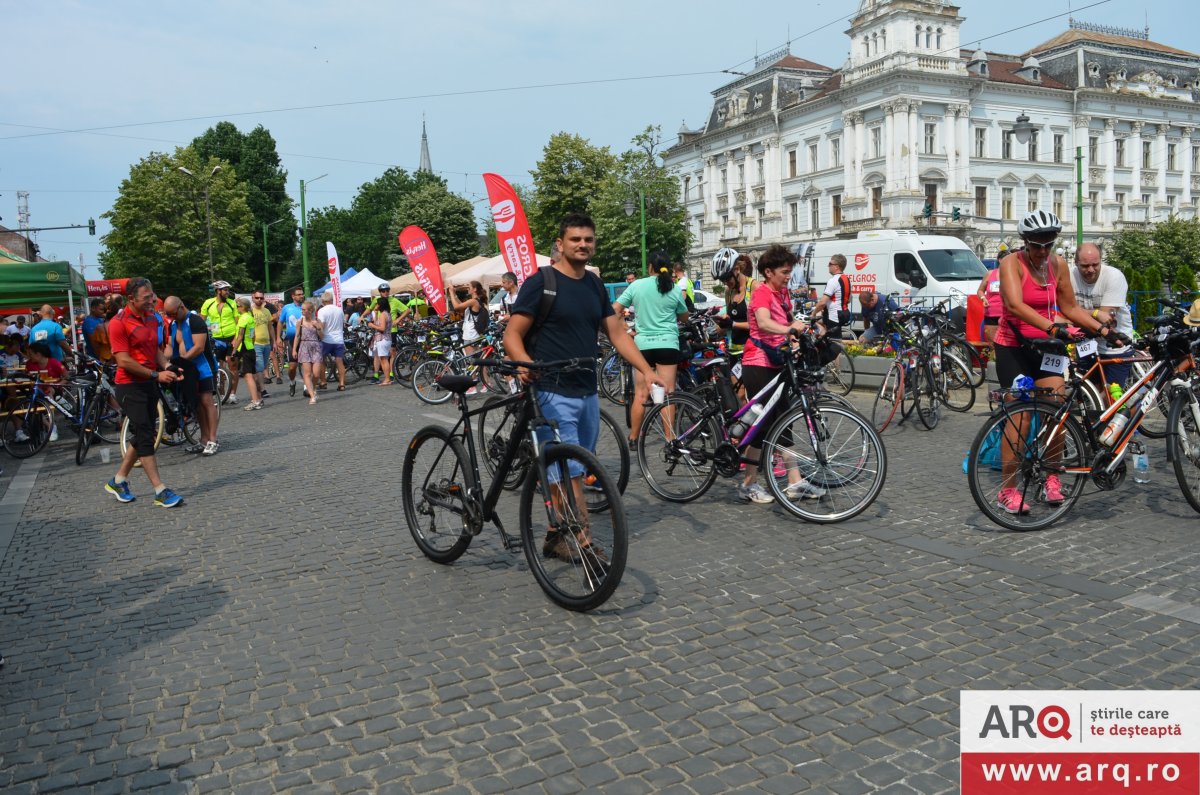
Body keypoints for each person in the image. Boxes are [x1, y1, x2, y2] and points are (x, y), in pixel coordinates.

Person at [503, 213, 662, 563]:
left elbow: (617, 333)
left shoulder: (592, 285)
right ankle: (583, 541)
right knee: (572, 471)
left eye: (588, 240)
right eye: (575, 239)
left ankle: (554, 535)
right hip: (550, 388)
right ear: (560, 244)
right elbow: (511, 333)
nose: (583, 245)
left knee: (571, 467)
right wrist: (522, 361)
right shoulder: (541, 282)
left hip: (586, 390)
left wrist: (645, 369)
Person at [993, 210, 1117, 515]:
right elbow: (1014, 304)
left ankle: (1052, 476)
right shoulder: (1011, 263)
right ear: (1025, 242)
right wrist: (1051, 326)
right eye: (1037, 245)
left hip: (1048, 348)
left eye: (1048, 245)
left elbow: (1069, 306)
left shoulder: (1057, 264)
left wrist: (1102, 330)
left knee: (1057, 409)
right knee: (1019, 417)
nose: (1043, 251)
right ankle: (1007, 490)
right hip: (1014, 347)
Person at [739, 245, 827, 504]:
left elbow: (792, 318)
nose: (789, 276)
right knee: (763, 424)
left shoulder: (781, 294)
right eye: (784, 272)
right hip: (758, 363)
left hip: (777, 361)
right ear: (768, 272)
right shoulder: (762, 293)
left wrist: (812, 325)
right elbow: (764, 323)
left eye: (790, 271)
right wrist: (789, 328)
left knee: (782, 421)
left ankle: (794, 481)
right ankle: (749, 483)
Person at [104, 277, 184, 508]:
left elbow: (155, 350)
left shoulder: (152, 317)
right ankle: (160, 490)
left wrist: (168, 367)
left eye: (153, 295)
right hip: (129, 385)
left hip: (149, 382)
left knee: (142, 433)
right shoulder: (118, 323)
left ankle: (118, 481)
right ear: (131, 299)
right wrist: (155, 375)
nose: (153, 300)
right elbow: (123, 361)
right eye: (147, 297)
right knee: (146, 435)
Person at [615, 252, 689, 449]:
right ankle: (670, 439)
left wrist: (625, 329)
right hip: (667, 344)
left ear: (650, 267)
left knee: (640, 394)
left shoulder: (636, 285)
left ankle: (633, 438)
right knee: (668, 394)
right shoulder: (673, 288)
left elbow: (615, 309)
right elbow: (684, 317)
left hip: (642, 346)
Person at [1069, 243, 1135, 388]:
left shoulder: (1114, 276)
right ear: (1076, 263)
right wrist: (1094, 312)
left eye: (1095, 264)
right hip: (1086, 344)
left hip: (1115, 345)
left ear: (1101, 260)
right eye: (1085, 266)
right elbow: (1064, 311)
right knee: (1090, 397)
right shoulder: (1069, 276)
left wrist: (1075, 314)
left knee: (1111, 398)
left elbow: (1105, 320)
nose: (1090, 270)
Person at [163, 296, 219, 455]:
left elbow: (199, 347)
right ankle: (203, 439)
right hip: (186, 369)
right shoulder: (173, 324)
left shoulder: (195, 321)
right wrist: (164, 360)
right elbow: (170, 345)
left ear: (181, 307)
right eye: (169, 315)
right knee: (196, 405)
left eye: (173, 313)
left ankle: (213, 439)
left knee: (206, 401)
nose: (171, 317)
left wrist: (181, 361)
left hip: (203, 367)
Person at [201, 281, 240, 403]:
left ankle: (233, 394)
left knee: (233, 366)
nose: (227, 292)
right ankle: (222, 393)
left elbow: (238, 322)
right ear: (218, 291)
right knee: (219, 367)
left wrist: (236, 339)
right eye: (225, 290)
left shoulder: (232, 303)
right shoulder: (208, 303)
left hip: (231, 337)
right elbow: (201, 320)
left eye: (228, 290)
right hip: (216, 338)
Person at [711, 248, 751, 354]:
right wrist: (722, 325)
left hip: (754, 350)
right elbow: (731, 318)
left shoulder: (754, 288)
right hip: (735, 349)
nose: (725, 283)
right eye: (722, 280)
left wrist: (732, 324)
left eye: (727, 278)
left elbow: (760, 325)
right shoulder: (729, 291)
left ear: (737, 269)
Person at [232, 297, 264, 410]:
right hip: (251, 348)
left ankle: (255, 401)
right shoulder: (250, 317)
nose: (237, 308)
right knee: (253, 375)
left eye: (238, 306)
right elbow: (253, 335)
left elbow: (240, 336)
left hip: (245, 350)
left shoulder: (243, 318)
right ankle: (259, 398)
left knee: (248, 376)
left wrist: (234, 350)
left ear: (243, 307)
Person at [812, 254, 852, 340]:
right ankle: (823, 334)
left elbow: (822, 302)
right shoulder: (846, 279)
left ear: (836, 267)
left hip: (834, 315)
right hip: (844, 313)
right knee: (828, 335)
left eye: (830, 264)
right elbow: (849, 299)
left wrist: (814, 313)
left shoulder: (833, 280)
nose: (828, 266)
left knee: (834, 342)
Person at [292, 300, 324, 405]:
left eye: (304, 310)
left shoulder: (317, 321)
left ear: (310, 311)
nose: (302, 311)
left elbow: (322, 336)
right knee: (307, 373)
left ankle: (313, 388)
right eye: (302, 309)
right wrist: (294, 349)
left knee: (316, 374)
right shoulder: (300, 321)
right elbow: (297, 336)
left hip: (316, 347)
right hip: (304, 346)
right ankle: (312, 395)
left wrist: (318, 328)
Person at [316, 291, 347, 391]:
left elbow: (321, 326)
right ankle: (342, 384)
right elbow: (343, 323)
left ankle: (323, 382)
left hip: (326, 339)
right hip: (339, 339)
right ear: (331, 300)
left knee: (320, 360)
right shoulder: (339, 310)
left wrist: (319, 336)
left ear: (323, 301)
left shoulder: (322, 311)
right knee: (339, 362)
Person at [278, 287, 305, 397]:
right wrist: (278, 338)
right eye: (298, 294)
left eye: (302, 294)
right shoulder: (287, 308)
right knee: (292, 367)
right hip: (292, 340)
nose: (301, 296)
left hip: (305, 340)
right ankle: (292, 382)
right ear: (293, 296)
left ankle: (306, 387)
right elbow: (280, 323)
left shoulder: (306, 307)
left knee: (306, 365)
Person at [250, 290, 276, 399]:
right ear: (253, 298)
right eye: (257, 298)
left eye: (261, 298)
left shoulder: (266, 311)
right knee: (260, 367)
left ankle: (258, 387)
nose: (259, 300)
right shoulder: (250, 311)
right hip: (255, 343)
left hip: (266, 344)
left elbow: (270, 327)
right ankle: (263, 389)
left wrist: (274, 342)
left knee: (263, 366)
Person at [368, 296, 393, 386]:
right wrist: (375, 312)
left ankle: (387, 379)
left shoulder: (383, 315)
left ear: (380, 305)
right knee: (383, 358)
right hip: (386, 338)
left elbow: (382, 328)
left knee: (383, 359)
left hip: (383, 338)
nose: (376, 305)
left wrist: (372, 325)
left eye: (377, 304)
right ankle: (387, 379)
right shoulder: (386, 313)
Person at [977, 263, 1003, 344]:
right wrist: (983, 298)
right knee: (992, 343)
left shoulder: (1014, 274)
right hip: (992, 313)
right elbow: (980, 290)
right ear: (1000, 260)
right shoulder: (990, 274)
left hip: (1009, 314)